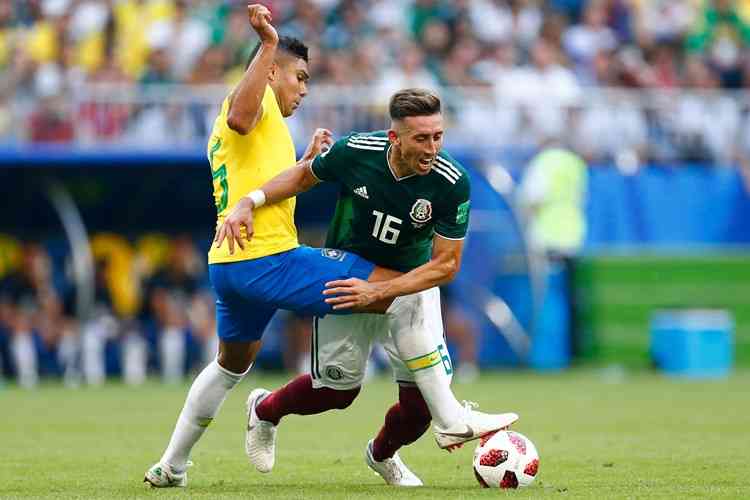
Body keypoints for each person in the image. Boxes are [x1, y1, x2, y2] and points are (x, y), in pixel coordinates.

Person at [144, 6, 515, 488]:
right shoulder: (250, 107)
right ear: (271, 70)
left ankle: (172, 466)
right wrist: (268, 43)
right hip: (269, 258)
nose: (303, 89)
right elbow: (240, 115)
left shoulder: (273, 126)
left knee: (229, 367)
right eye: (299, 78)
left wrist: (299, 164)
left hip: (229, 265)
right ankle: (451, 417)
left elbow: (276, 177)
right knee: (399, 288)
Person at [236, 88, 515, 486]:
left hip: (407, 284)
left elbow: (447, 264)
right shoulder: (357, 152)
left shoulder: (451, 181)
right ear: (394, 137)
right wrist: (252, 199)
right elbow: (303, 174)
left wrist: (382, 293)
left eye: (438, 136)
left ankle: (384, 454)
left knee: (418, 407)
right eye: (421, 138)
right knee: (336, 393)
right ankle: (265, 409)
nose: (432, 147)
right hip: (348, 279)